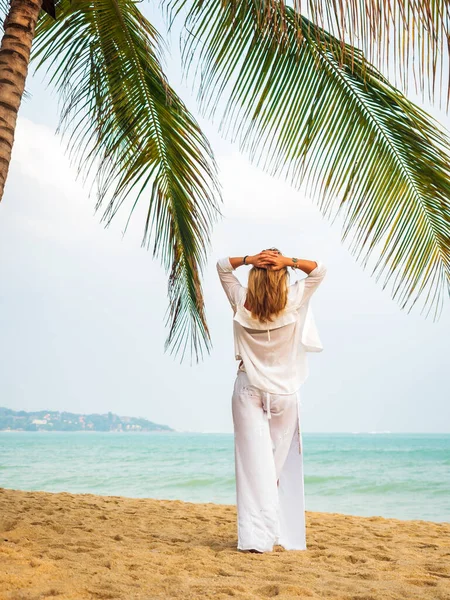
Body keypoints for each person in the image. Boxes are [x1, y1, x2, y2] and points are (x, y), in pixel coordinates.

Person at [216, 248, 327, 553]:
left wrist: (251, 259)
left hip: (248, 388)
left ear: (253, 276)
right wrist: (288, 261)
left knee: (253, 469)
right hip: (284, 392)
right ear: (283, 276)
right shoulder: (294, 299)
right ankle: (272, 533)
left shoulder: (241, 301)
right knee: (274, 469)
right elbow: (318, 269)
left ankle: (256, 539)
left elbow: (223, 267)